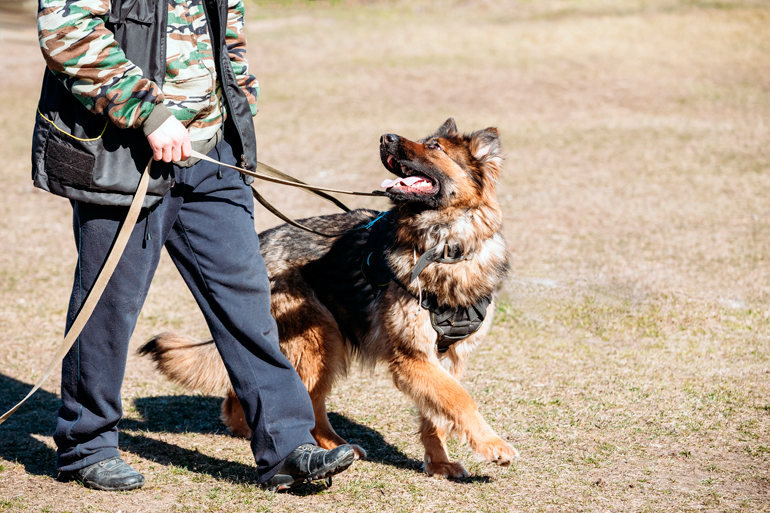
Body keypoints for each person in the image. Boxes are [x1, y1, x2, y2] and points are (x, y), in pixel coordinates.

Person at [31, 0, 354, 492]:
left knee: (248, 304)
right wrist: (150, 114)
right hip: (127, 152)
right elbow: (65, 27)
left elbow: (229, 36)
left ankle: (288, 446)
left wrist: (237, 107)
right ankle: (87, 446)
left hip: (212, 154)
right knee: (111, 305)